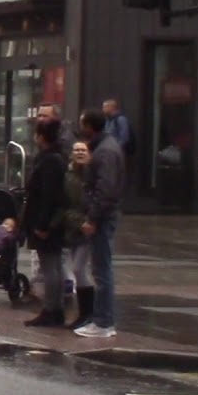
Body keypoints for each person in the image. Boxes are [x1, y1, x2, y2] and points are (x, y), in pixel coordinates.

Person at [74, 108, 124, 338]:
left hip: (103, 217)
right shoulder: (106, 148)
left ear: (89, 127)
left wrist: (92, 218)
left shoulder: (105, 152)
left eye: (82, 123)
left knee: (101, 269)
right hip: (104, 214)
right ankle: (102, 319)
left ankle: (103, 322)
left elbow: (105, 189)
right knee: (100, 268)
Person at [21, 118, 69, 327]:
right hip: (51, 221)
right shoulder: (56, 158)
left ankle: (52, 309)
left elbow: (48, 196)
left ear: (41, 137)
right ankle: (54, 308)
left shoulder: (49, 161)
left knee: (50, 265)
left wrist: (42, 225)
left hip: (46, 222)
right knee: (54, 265)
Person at [62, 140, 96, 330]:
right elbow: (67, 203)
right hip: (74, 228)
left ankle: (87, 313)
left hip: (88, 227)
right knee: (78, 268)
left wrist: (88, 221)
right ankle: (85, 313)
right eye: (77, 150)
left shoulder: (92, 176)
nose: (80, 153)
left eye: (84, 150)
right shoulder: (68, 176)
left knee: (79, 268)